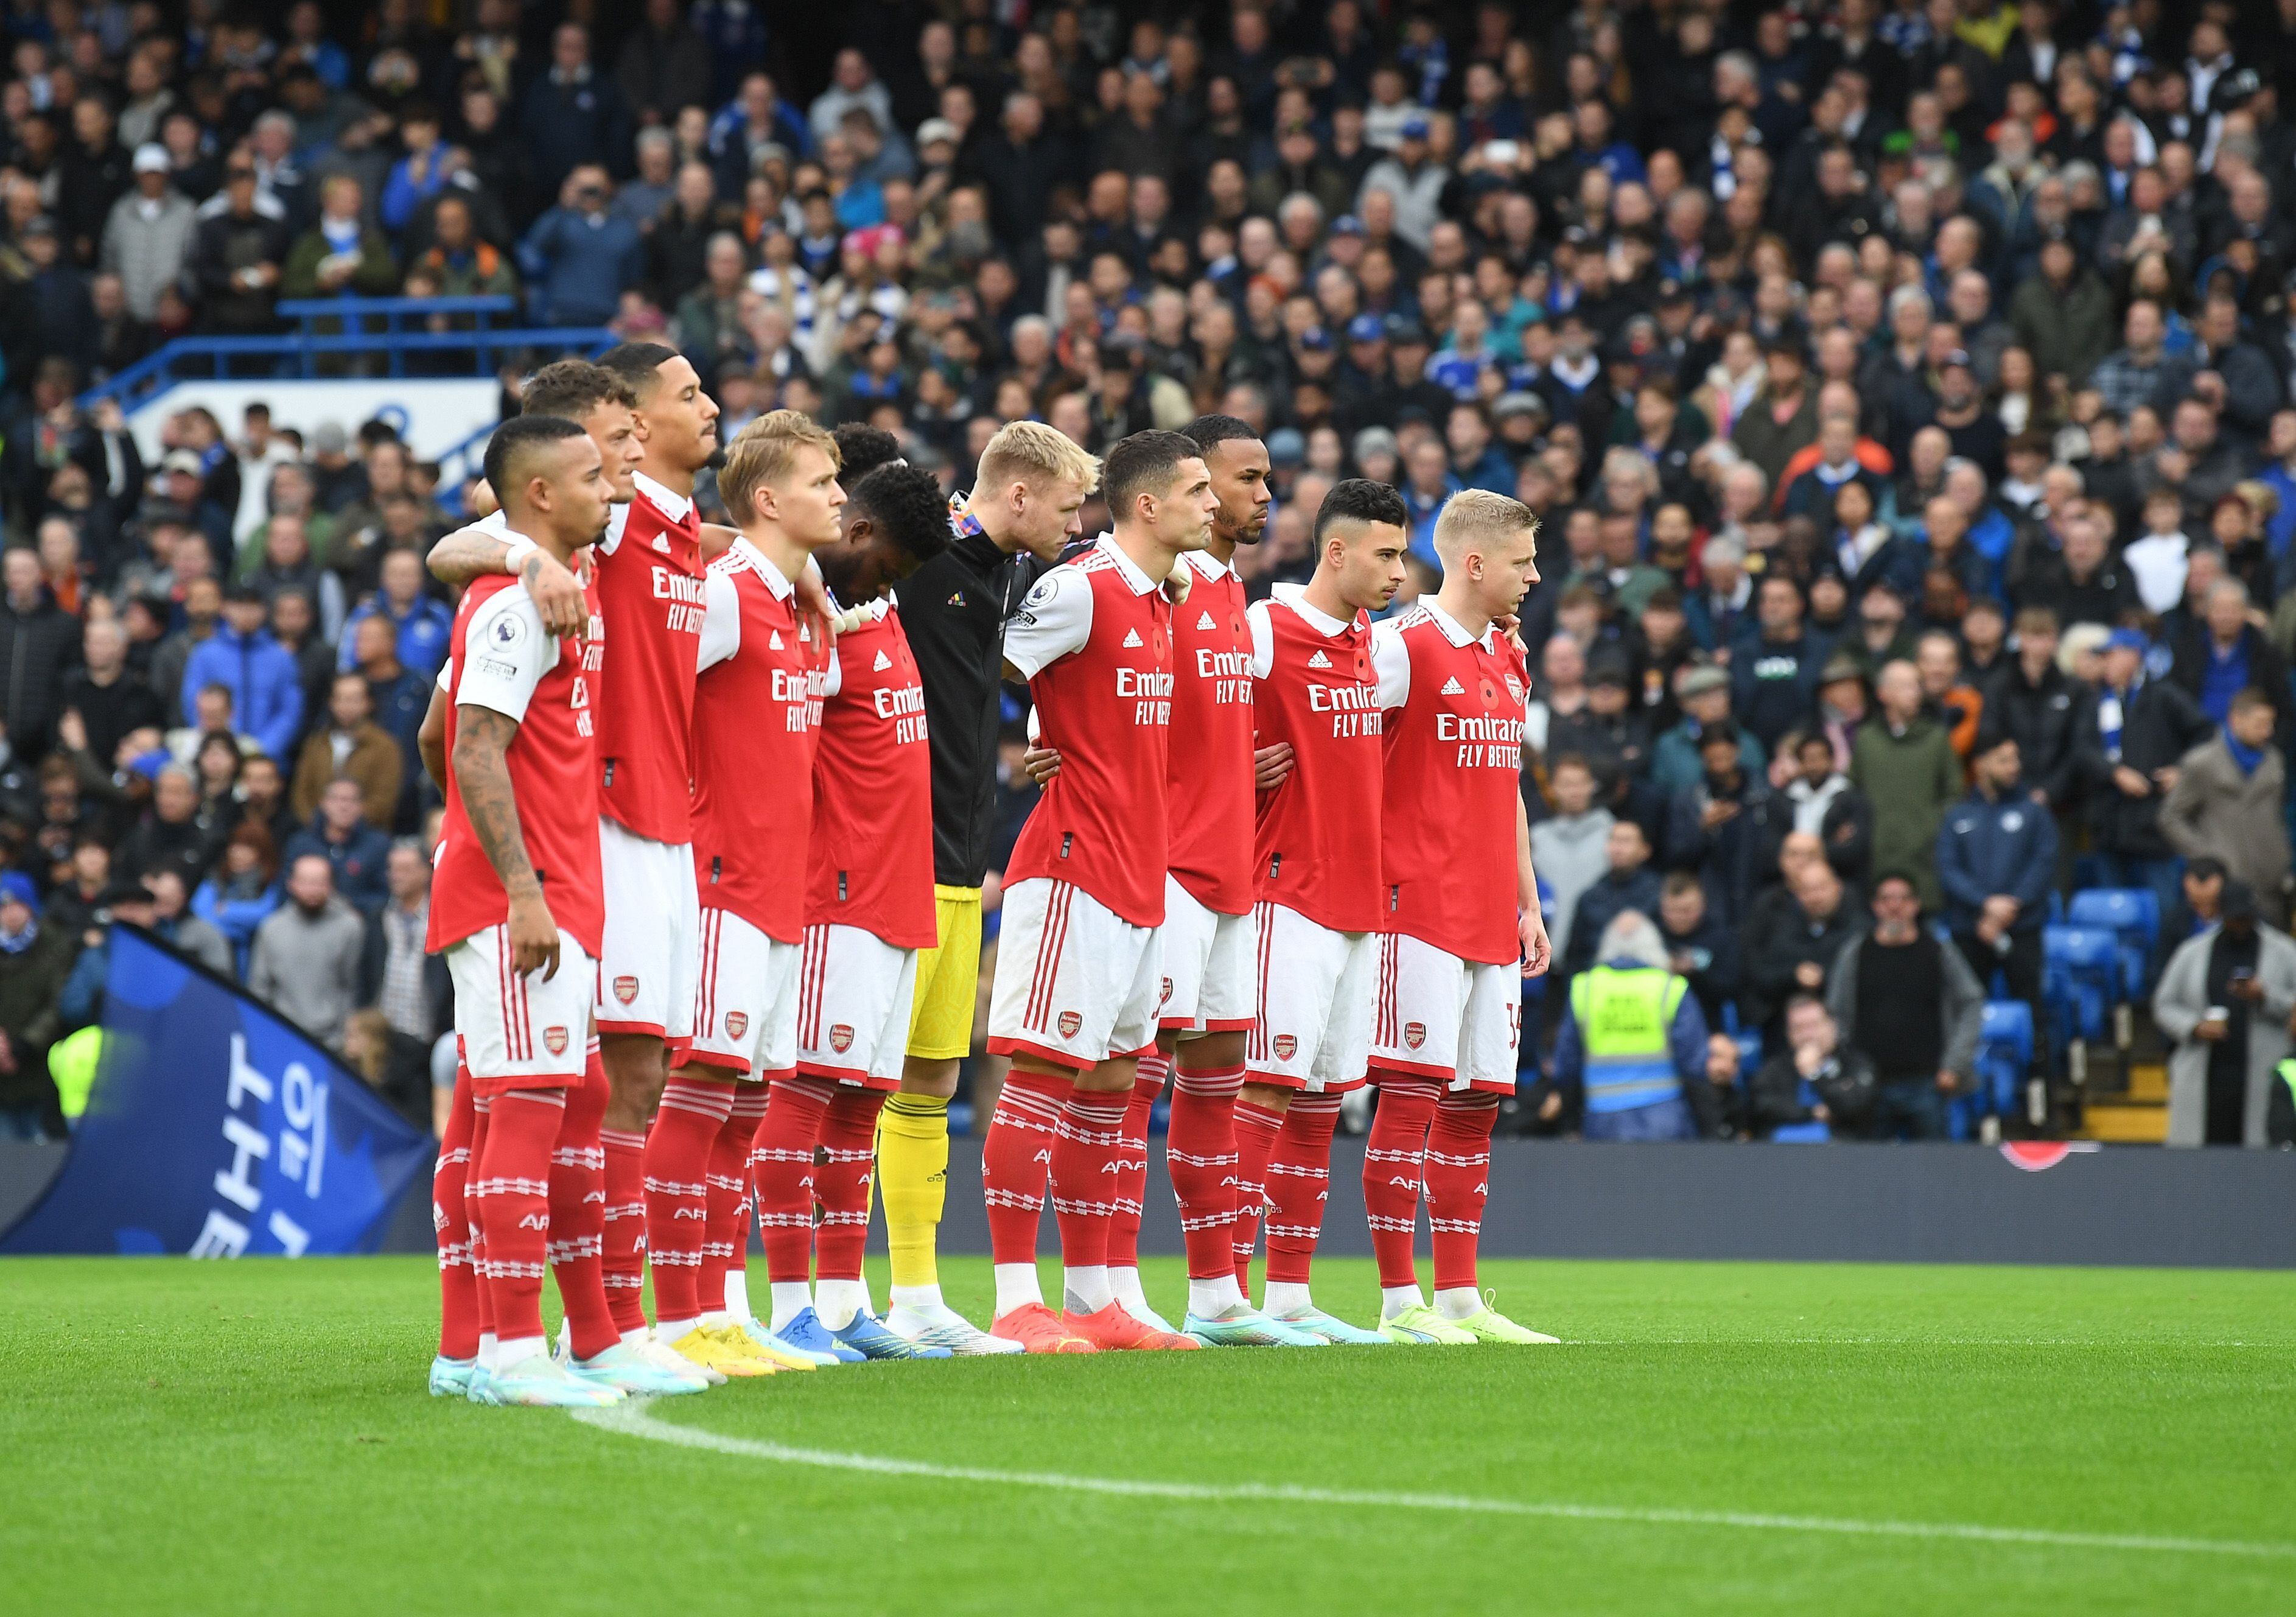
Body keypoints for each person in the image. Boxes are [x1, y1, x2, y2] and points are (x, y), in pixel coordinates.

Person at [430, 343, 727, 1353]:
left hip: (634, 834)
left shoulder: (653, 535)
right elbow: (457, 719)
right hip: (580, 839)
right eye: (620, 438)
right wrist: (496, 860)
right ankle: (516, 1337)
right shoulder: (552, 561)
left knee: (584, 1088)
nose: (634, 455)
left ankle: (581, 1331)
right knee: (534, 1092)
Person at [979, 429, 1213, 1353]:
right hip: (1072, 865)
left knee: (1115, 1082)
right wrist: (1030, 730)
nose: (1213, 505)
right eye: (1198, 491)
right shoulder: (1081, 588)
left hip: (1138, 869)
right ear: (1148, 505)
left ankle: (1095, 1300)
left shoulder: (1162, 597)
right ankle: (1010, 1299)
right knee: (1040, 1076)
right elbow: (987, 654)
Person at [421, 414, 629, 1408]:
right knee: (529, 1103)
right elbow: (467, 748)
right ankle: (509, 1352)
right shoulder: (514, 605)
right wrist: (515, 886)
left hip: (549, 890)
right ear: (540, 495)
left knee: (541, 1098)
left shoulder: (557, 588)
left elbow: (438, 732)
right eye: (592, 473)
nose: (609, 486)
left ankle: (481, 1348)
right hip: (522, 899)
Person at [873, 419, 1094, 1354]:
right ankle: (822, 1297)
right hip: (889, 860)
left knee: (933, 1074)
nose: (1078, 522)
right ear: (1016, 496)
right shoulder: (915, 558)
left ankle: (917, 1298)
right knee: (844, 1082)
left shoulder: (1005, 575)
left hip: (960, 860)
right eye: (1069, 503)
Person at [661, 411, 861, 1373]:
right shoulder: (731, 595)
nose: (840, 497)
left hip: (783, 892)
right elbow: (654, 701)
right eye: (825, 483)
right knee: (700, 1092)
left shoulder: (789, 603)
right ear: (770, 501)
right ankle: (670, 1322)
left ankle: (721, 1312)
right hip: (720, 883)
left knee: (742, 1104)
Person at [775, 462, 971, 1355]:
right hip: (837, 895)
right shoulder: (808, 623)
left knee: (862, 1102)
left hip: (899, 897)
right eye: (888, 565)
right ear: (853, 531)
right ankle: (785, 1310)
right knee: (806, 1093)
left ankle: (846, 1303)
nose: (891, 583)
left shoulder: (875, 612)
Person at [1213, 479, 1412, 1344]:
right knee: (1265, 1087)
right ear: (1337, 552)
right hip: (1284, 895)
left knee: (1324, 1100)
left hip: (1359, 903)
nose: (1400, 573)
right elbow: (1187, 698)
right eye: (1386, 555)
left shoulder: (1373, 639)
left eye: (1405, 556)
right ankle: (1222, 1290)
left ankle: (1290, 1293)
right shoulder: (1265, 628)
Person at [1360, 488, 1554, 1346]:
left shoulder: (1510, 659)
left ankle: (1462, 1298)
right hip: (1416, 907)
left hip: (1488, 913)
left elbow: (1505, 784)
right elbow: (1333, 746)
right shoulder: (1401, 646)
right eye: (1523, 562)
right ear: (1473, 564)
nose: (1535, 576)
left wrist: (1529, 900)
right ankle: (1399, 1302)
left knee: (1475, 1103)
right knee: (1410, 1096)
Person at [1937, 731, 2057, 1111]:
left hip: (2021, 929)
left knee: (2032, 1008)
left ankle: (2038, 1097)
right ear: (1980, 766)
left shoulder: (2033, 813)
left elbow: (2043, 862)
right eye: (2004, 760)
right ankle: (1969, 1096)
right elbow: (1948, 868)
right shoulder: (1958, 816)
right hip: (1969, 930)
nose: (2014, 767)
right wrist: (1985, 905)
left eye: (2015, 760)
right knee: (1963, 1011)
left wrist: (2009, 907)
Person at [2076, 629, 2217, 934]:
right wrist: (2114, 773)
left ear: (2133, 656)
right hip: (2110, 825)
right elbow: (2082, 748)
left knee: (2162, 916)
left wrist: (2183, 771)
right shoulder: (2097, 700)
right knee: (2111, 915)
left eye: (2110, 655)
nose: (2105, 664)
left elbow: (2206, 734)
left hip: (2154, 827)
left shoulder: (2165, 695)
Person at [1825, 872, 1985, 1140]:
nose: (1895, 906)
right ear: (1875, 906)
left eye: (1903, 899)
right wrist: (1847, 1066)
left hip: (1928, 1083)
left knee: (1933, 1172)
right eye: (1886, 899)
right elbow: (1835, 1012)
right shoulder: (1856, 953)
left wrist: (1954, 1064)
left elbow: (1972, 1002)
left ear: (1916, 905)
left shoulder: (1938, 951)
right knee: (1872, 1174)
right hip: (1868, 1085)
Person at [1552, 910, 1732, 1140]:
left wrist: (1570, 1124)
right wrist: (1711, 1129)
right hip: (1665, 1117)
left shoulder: (1585, 989)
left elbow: (1567, 1065)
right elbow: (1694, 1065)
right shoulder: (1671, 989)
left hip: (1603, 1119)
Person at [2153, 882, 2296, 1148]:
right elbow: (2164, 1004)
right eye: (2234, 918)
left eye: (2245, 917)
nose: (2240, 924)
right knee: (2200, 1159)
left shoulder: (2285, 952)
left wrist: (2266, 995)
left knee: (2259, 1155)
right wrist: (2195, 1027)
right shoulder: (2192, 952)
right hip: (2206, 1071)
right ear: (2221, 914)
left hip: (2262, 1070)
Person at [2160, 689, 2292, 928]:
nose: (2268, 732)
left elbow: (2277, 818)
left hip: (2271, 882)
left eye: (2270, 724)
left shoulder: (2274, 761)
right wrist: (2207, 856)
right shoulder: (2202, 763)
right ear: (2236, 719)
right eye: (2260, 724)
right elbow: (2171, 817)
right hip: (2228, 885)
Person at [1851, 659, 1963, 911]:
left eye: (1917, 687)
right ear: (1883, 694)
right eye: (1905, 687)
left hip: (1925, 857)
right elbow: (1853, 794)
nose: (1914, 694)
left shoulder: (1936, 738)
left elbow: (1954, 795)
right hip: (1875, 855)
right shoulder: (1866, 740)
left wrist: (1933, 828)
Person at [247, 854, 365, 1050]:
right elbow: (260, 987)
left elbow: (352, 987)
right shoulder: (272, 928)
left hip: (331, 1042)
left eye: (320, 883)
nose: (312, 890)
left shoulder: (350, 927)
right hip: (283, 1035)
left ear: (331, 886)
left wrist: (343, 1037)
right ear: (291, 884)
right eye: (306, 882)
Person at [0, 872, 72, 1139]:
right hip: (2, 1071)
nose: (10, 914)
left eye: (17, 904)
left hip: (40, 1066)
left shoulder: (55, 943)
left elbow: (58, 1002)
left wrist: (24, 1045)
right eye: (3, 907)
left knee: (41, 1151)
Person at [1747, 994, 1877, 1140]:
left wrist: (1814, 1073)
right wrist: (1812, 1113)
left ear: (1832, 1026)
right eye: (1799, 1028)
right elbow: (1762, 1105)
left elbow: (1855, 1105)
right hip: (1782, 1151)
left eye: (1814, 1026)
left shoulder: (1854, 1062)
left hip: (1841, 1151)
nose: (1808, 1035)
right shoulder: (1775, 1067)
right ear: (1788, 1034)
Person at [1529, 753, 1615, 973]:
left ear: (1592, 787)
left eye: (1580, 784)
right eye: (1567, 784)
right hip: (1545, 958)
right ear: (1553, 789)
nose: (1574, 791)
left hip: (1596, 957)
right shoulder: (1537, 838)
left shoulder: (1612, 833)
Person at [290, 672, 402, 829]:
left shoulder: (385, 747)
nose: (346, 706)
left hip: (366, 836)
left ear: (369, 703)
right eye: (340, 699)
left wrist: (343, 823)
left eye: (354, 699)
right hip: (316, 833)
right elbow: (301, 794)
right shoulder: (316, 743)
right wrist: (319, 825)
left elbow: (383, 801)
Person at [282, 777, 391, 915]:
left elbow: (384, 895)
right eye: (337, 799)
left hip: (362, 923)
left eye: (352, 800)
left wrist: (345, 906)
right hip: (306, 920)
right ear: (323, 803)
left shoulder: (378, 845)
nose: (344, 806)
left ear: (362, 807)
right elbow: (286, 890)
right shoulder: (301, 843)